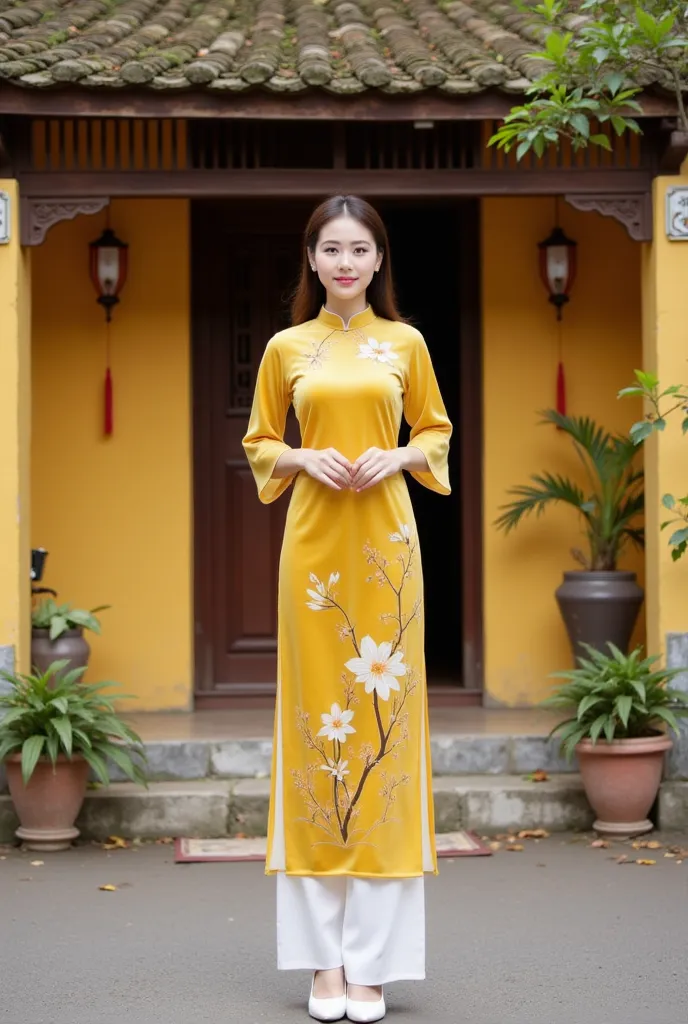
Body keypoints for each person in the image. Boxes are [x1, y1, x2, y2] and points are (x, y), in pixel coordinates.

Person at [242, 195, 452, 1023]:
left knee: (386, 733)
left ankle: (372, 966)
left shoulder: (407, 343)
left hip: (389, 555)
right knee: (316, 731)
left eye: (358, 249)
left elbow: (434, 431)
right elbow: (260, 440)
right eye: (330, 249)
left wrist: (396, 452)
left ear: (377, 260)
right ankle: (322, 964)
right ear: (312, 259)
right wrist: (303, 456)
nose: (344, 263)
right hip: (314, 555)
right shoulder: (285, 347)